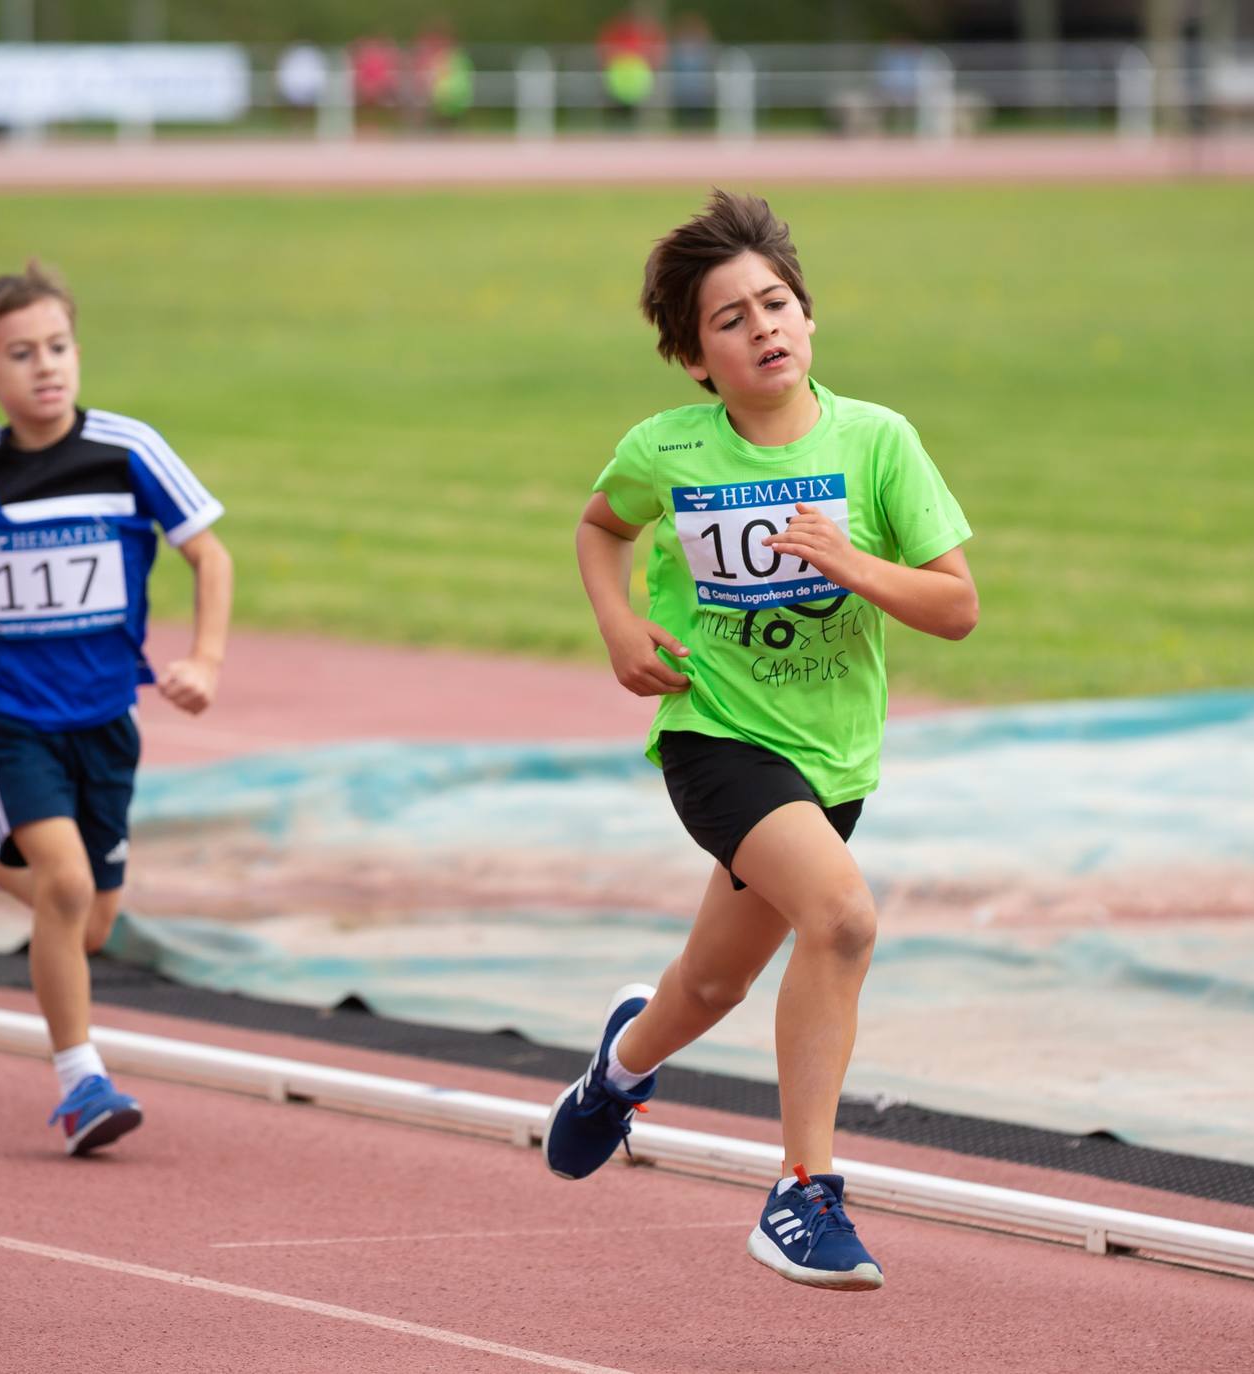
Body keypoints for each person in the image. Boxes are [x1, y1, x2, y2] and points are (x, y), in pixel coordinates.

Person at [547, 190, 977, 1291]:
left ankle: (615, 1070)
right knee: (839, 918)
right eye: (729, 320)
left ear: (809, 317)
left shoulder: (877, 443)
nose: (762, 328)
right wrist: (616, 624)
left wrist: (852, 566)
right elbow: (601, 527)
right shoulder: (668, 448)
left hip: (829, 758)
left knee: (707, 987)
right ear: (694, 360)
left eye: (775, 303)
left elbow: (953, 605)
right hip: (714, 736)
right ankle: (802, 1193)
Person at [0, 261, 233, 1157]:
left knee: (86, 922)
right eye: (20, 353)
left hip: (105, 721)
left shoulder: (128, 453)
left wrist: (202, 658)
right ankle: (81, 1082)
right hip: (9, 717)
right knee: (64, 883)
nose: (45, 366)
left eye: (57, 347)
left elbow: (209, 556)